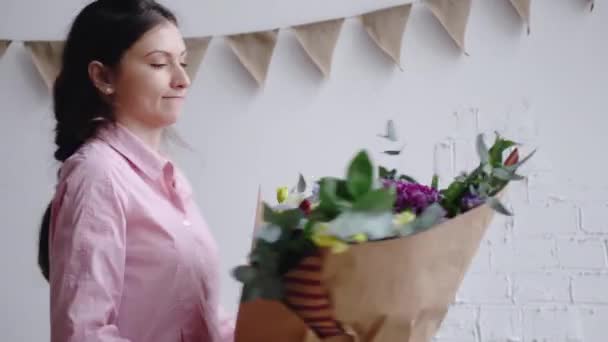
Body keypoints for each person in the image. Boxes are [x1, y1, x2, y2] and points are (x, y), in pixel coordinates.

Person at [36, 0, 235, 340]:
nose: (183, 79)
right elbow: (83, 333)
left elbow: (200, 321)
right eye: (159, 63)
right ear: (103, 76)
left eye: (184, 62)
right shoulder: (98, 175)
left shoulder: (171, 180)